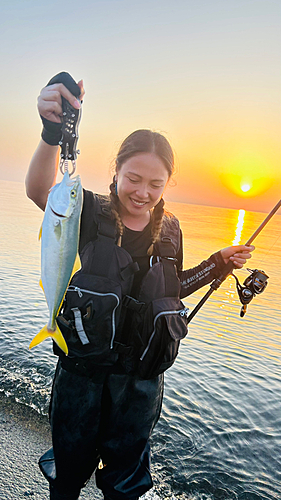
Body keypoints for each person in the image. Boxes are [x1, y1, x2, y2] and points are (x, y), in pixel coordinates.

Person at [25, 74, 255, 500]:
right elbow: (40, 192)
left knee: (125, 486)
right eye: (133, 178)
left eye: (155, 184)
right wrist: (51, 132)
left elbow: (170, 290)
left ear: (167, 184)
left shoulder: (171, 230)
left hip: (139, 389)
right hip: (82, 376)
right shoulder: (87, 210)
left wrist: (217, 264)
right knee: (68, 475)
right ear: (116, 172)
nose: (142, 192)